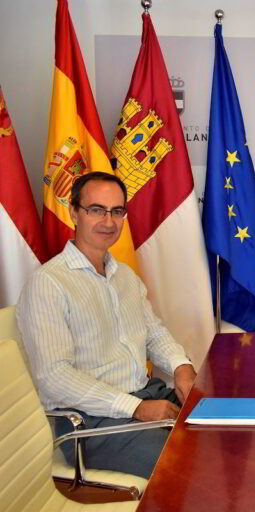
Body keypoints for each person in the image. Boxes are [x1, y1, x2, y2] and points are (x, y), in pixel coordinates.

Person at [16, 172, 196, 479]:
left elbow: (153, 333)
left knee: (220, 437)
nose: (108, 222)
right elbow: (55, 377)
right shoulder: (49, 283)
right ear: (73, 212)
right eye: (96, 210)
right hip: (92, 423)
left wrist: (181, 366)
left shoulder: (124, 275)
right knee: (187, 469)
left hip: (146, 396)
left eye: (117, 211)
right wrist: (134, 408)